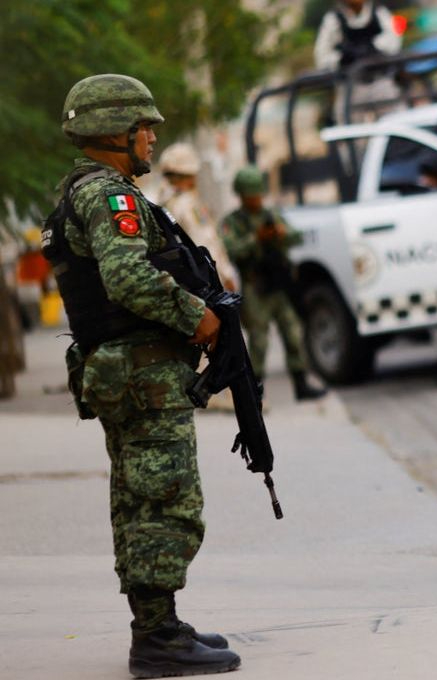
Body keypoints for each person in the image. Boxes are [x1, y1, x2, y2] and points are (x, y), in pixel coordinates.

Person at [49, 73, 240, 677]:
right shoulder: (110, 197)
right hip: (142, 373)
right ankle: (157, 639)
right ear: (113, 132)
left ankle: (160, 623)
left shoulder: (84, 191)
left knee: (139, 499)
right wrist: (199, 318)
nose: (153, 136)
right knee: (165, 500)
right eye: (143, 126)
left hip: (126, 372)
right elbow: (127, 279)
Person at [220, 167, 327, 401]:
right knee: (259, 340)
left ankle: (301, 383)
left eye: (258, 194)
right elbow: (231, 250)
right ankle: (255, 390)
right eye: (251, 195)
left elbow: (296, 236)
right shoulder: (233, 222)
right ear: (242, 195)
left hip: (280, 284)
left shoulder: (272, 215)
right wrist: (255, 239)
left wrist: (280, 234)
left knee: (293, 333)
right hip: (256, 285)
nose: (256, 199)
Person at [158, 143, 237, 292]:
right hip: (207, 281)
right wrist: (225, 276)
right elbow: (204, 243)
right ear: (190, 175)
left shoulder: (163, 203)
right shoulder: (188, 204)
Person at [313, 0, 402, 71]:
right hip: (349, 83)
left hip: (382, 77)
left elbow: (394, 43)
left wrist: (373, 49)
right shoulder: (332, 19)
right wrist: (342, 58)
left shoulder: (380, 12)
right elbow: (322, 57)